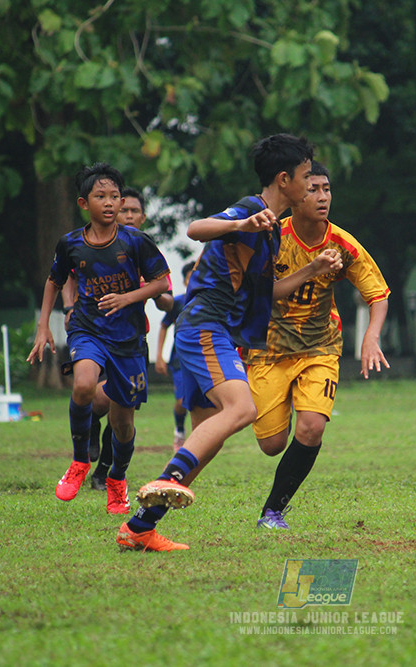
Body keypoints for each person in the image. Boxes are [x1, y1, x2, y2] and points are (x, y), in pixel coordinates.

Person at [115, 133, 343, 552]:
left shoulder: (271, 230)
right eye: (307, 177)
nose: (312, 185)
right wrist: (241, 224)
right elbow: (196, 229)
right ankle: (165, 481)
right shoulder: (252, 210)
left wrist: (311, 270)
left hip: (217, 331)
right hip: (206, 326)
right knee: (242, 409)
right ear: (284, 179)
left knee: (211, 435)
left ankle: (140, 528)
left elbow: (268, 292)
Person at [245, 161, 390, 529]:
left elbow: (378, 294)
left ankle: (272, 512)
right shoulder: (271, 237)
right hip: (269, 350)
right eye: (313, 189)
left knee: (311, 428)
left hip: (320, 348)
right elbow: (260, 295)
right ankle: (284, 407)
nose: (323, 197)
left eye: (327, 189)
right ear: (295, 194)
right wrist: (312, 269)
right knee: (272, 444)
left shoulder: (343, 244)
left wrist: (371, 337)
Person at [27, 162, 171, 514]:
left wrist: (127, 298)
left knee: (123, 424)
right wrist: (44, 326)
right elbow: (54, 280)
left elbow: (160, 284)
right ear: (83, 203)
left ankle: (117, 479)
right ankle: (79, 461)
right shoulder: (71, 243)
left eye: (114, 196)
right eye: (100, 196)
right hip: (88, 328)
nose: (109, 202)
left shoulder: (136, 241)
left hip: (129, 339)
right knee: (83, 385)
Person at [85, 185, 174, 490]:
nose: (130, 216)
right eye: (125, 210)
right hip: (97, 337)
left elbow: (167, 300)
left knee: (123, 413)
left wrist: (153, 292)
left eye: (135, 211)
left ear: (143, 217)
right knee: (98, 397)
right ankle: (89, 426)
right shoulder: (94, 247)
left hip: (133, 341)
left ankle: (103, 473)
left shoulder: (146, 251)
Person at [154, 261, 196, 452]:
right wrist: (159, 356)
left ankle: (200, 439)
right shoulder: (178, 302)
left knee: (200, 401)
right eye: (190, 277)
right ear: (185, 281)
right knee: (181, 401)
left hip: (203, 359)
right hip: (179, 360)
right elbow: (164, 326)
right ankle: (179, 430)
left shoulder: (210, 302)